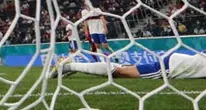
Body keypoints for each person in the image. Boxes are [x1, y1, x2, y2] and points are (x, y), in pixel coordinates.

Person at [53, 51, 206, 80]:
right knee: (122, 72)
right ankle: (68, 66)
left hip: (178, 61)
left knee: (126, 69)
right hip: (173, 67)